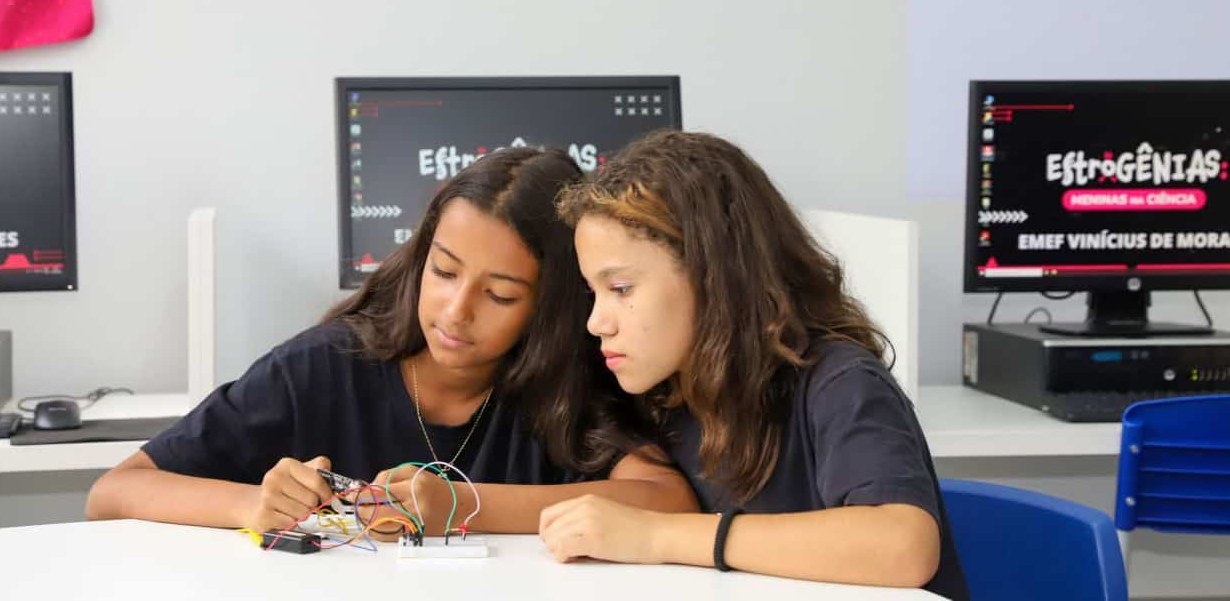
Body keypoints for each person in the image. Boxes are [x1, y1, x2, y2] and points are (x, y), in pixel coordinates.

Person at [86, 146, 697, 536]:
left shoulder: (573, 381)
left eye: (501, 295)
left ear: (553, 310)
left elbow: (667, 499)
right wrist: (250, 507)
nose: (456, 312)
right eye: (445, 271)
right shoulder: (323, 367)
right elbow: (114, 491)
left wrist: (461, 506)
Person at [542, 131, 968, 599]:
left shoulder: (840, 382)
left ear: (715, 277)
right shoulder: (666, 393)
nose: (596, 322)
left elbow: (903, 545)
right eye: (593, 292)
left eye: (621, 289)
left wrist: (655, 535)